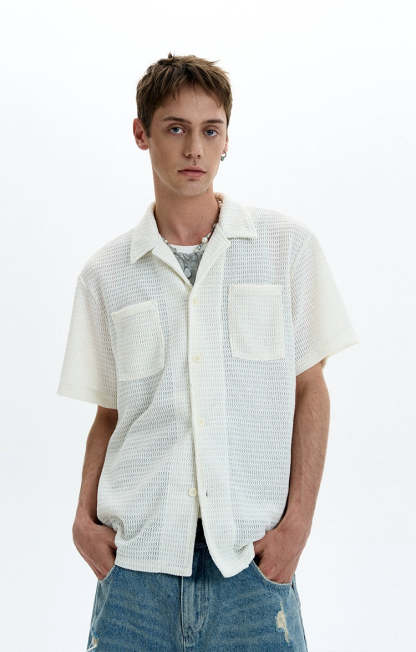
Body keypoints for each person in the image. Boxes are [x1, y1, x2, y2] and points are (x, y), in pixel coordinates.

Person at [57, 52, 359, 651]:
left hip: (250, 566)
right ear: (142, 134)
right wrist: (82, 522)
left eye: (210, 130)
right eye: (175, 128)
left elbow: (310, 388)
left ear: (226, 139)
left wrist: (296, 528)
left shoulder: (285, 249)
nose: (195, 148)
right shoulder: (106, 275)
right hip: (136, 569)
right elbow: (109, 415)